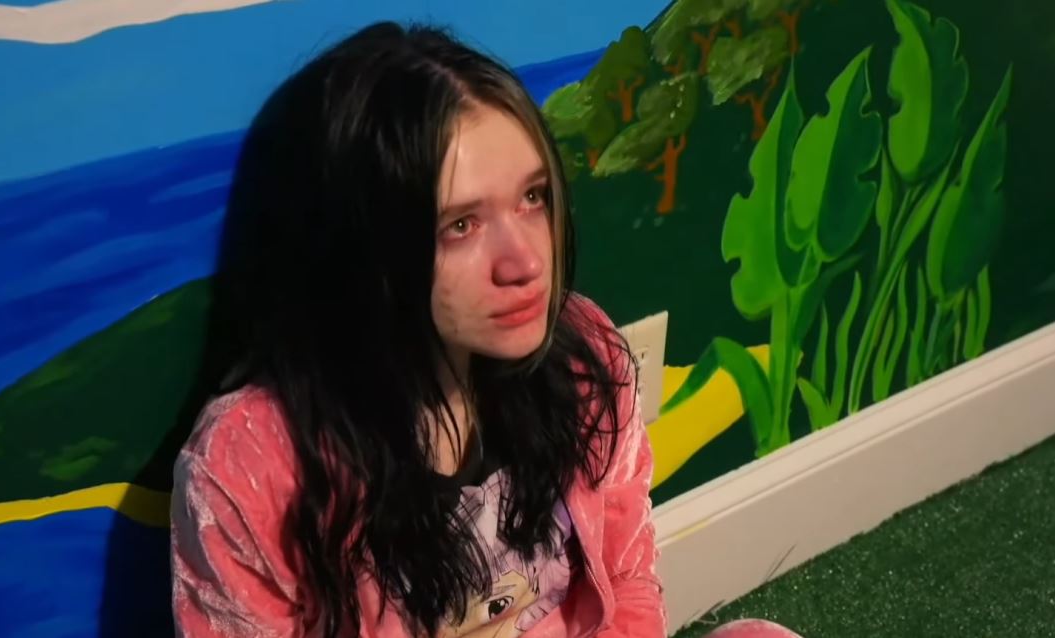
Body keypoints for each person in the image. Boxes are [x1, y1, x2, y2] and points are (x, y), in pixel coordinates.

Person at [170, 21, 802, 638]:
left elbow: (626, 577)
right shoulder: (248, 465)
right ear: (367, 250)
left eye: (533, 197)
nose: (526, 263)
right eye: (460, 226)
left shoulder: (585, 354)